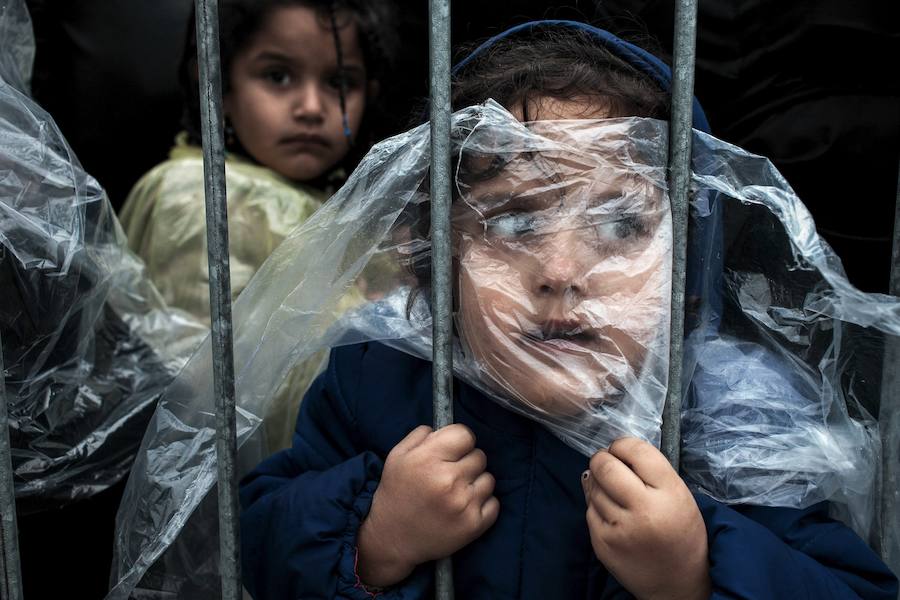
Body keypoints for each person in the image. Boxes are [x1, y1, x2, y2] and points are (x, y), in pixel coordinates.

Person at [233, 21, 896, 599]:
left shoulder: (735, 423)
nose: (560, 273)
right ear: (437, 261)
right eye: (515, 225)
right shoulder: (376, 383)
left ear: (690, 272)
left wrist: (697, 571)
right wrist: (375, 539)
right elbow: (253, 544)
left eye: (620, 226)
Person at [118, 0, 396, 325]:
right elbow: (199, 362)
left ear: (370, 93)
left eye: (340, 83)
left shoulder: (354, 208)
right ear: (218, 86)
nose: (311, 107)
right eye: (277, 76)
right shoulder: (197, 196)